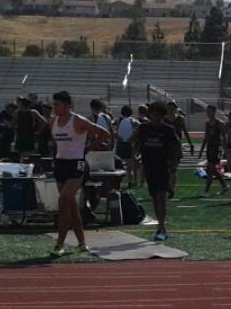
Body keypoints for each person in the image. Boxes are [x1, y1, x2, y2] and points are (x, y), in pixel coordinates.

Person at [48, 91, 112, 258]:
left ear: (68, 106)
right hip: (61, 164)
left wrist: (89, 148)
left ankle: (59, 244)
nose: (55, 108)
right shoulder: (53, 122)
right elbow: (57, 142)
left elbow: (104, 133)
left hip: (77, 165)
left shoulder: (78, 121)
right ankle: (82, 243)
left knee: (63, 202)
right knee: (70, 205)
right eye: (54, 104)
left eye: (58, 105)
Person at [134, 102, 181, 242]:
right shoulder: (143, 128)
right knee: (154, 197)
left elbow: (176, 145)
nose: (155, 119)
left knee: (161, 196)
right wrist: (136, 154)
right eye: (153, 116)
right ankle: (161, 227)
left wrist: (174, 162)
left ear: (162, 116)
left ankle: (161, 227)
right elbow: (137, 142)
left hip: (162, 166)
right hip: (149, 166)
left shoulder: (168, 130)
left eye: (158, 116)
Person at [164, 101, 192, 197]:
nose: (170, 110)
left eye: (172, 108)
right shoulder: (164, 120)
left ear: (175, 109)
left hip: (176, 147)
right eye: (169, 108)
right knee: (166, 169)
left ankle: (171, 188)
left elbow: (185, 132)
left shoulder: (180, 119)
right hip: (166, 147)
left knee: (173, 169)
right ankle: (167, 186)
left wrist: (191, 144)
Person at [200, 104, 229, 195]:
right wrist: (201, 150)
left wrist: (225, 149)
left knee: (210, 168)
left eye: (210, 111)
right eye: (207, 111)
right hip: (210, 147)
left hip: (217, 148)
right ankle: (224, 186)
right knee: (212, 170)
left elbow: (224, 136)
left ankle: (206, 190)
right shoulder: (207, 124)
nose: (208, 113)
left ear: (214, 112)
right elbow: (206, 137)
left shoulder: (219, 123)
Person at [12, 96, 47, 166]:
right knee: (29, 156)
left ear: (22, 104)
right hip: (29, 135)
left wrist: (16, 130)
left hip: (21, 136)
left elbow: (13, 125)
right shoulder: (33, 112)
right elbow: (44, 121)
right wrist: (38, 132)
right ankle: (28, 169)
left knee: (19, 155)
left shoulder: (17, 112)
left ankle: (21, 169)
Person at [115, 105, 138, 188]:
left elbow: (114, 131)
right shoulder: (133, 121)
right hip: (129, 144)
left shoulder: (118, 120)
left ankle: (118, 182)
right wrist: (131, 138)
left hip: (121, 144)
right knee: (129, 165)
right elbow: (137, 130)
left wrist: (119, 137)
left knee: (118, 164)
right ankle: (130, 182)